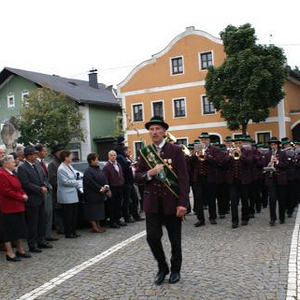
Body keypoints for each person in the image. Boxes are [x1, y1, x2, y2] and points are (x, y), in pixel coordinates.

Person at [135, 116, 189, 285]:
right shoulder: (145, 153)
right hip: (152, 204)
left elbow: (183, 179)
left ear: (164, 132)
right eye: (151, 129)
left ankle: (175, 270)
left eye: (158, 129)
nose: (154, 132)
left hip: (171, 204)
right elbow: (137, 177)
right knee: (152, 237)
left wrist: (183, 203)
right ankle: (162, 267)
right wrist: (149, 173)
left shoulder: (175, 151)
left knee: (175, 240)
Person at [17, 146, 51, 252]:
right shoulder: (22, 168)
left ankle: (41, 241)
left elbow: (43, 177)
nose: (36, 156)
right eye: (34, 154)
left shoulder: (37, 165)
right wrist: (39, 189)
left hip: (40, 197)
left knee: (42, 220)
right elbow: (25, 184)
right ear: (28, 156)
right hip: (32, 199)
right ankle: (32, 244)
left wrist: (44, 185)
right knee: (33, 223)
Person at [0, 155, 31, 261]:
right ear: (6, 164)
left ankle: (20, 249)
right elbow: (6, 191)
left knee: (19, 229)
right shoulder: (2, 174)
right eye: (13, 162)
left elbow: (19, 186)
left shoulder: (13, 173)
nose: (15, 163)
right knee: (9, 231)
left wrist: (23, 194)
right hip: (8, 207)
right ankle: (9, 253)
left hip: (18, 206)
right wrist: (21, 197)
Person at [35, 144, 58, 242]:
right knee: (44, 215)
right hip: (42, 191)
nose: (45, 152)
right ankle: (43, 236)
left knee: (49, 214)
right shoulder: (36, 163)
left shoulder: (43, 163)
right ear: (38, 152)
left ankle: (48, 234)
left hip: (48, 190)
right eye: (44, 151)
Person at [57, 150, 82, 238]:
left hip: (73, 194)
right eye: (70, 156)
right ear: (65, 157)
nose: (71, 157)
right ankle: (68, 233)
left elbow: (75, 174)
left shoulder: (69, 166)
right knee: (68, 215)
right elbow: (65, 182)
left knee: (74, 215)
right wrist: (76, 182)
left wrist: (78, 177)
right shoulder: (61, 168)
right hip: (66, 195)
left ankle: (73, 231)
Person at [83, 152, 111, 233]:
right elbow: (91, 183)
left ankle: (98, 225)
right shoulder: (88, 171)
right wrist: (100, 188)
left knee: (99, 211)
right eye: (96, 159)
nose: (98, 161)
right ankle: (94, 226)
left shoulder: (98, 169)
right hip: (92, 195)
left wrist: (106, 187)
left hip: (99, 194)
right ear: (91, 161)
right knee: (92, 211)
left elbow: (104, 178)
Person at [264, 137, 288, 226]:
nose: (273, 146)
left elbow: (286, 166)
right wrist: (269, 164)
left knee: (281, 200)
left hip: (281, 180)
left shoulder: (283, 154)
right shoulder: (267, 154)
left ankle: (282, 217)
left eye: (274, 144)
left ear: (277, 145)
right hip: (271, 180)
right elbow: (263, 167)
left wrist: (277, 162)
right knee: (272, 200)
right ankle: (272, 218)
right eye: (271, 144)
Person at [103, 150, 127, 228]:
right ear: (108, 156)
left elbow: (121, 174)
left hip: (120, 187)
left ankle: (118, 220)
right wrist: (108, 190)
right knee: (112, 206)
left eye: (114, 155)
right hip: (112, 188)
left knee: (119, 204)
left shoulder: (118, 164)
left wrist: (122, 181)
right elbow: (105, 179)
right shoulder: (107, 166)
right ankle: (112, 222)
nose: (113, 157)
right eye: (111, 155)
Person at [48, 145, 65, 234]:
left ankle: (64, 227)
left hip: (64, 191)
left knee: (63, 210)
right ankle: (59, 227)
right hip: (57, 192)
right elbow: (52, 179)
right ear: (55, 154)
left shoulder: (63, 163)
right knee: (58, 210)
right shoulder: (52, 164)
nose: (61, 153)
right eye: (60, 152)